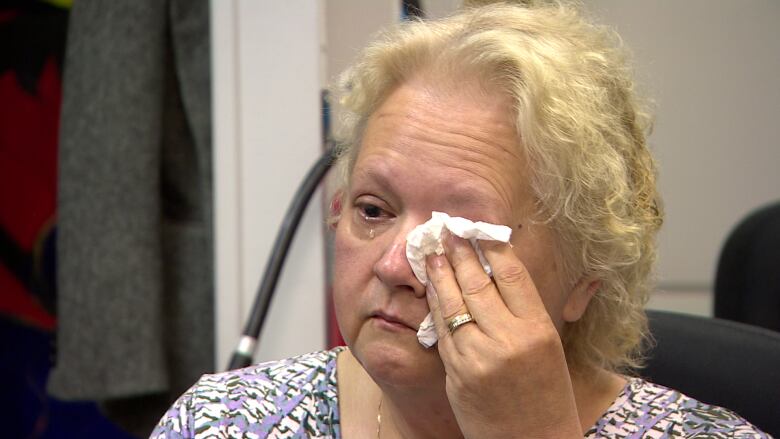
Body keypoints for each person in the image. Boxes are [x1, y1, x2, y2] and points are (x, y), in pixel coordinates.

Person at [151, 2, 769, 438]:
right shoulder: (223, 422)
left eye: (459, 236)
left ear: (585, 282)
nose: (397, 265)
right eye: (372, 210)